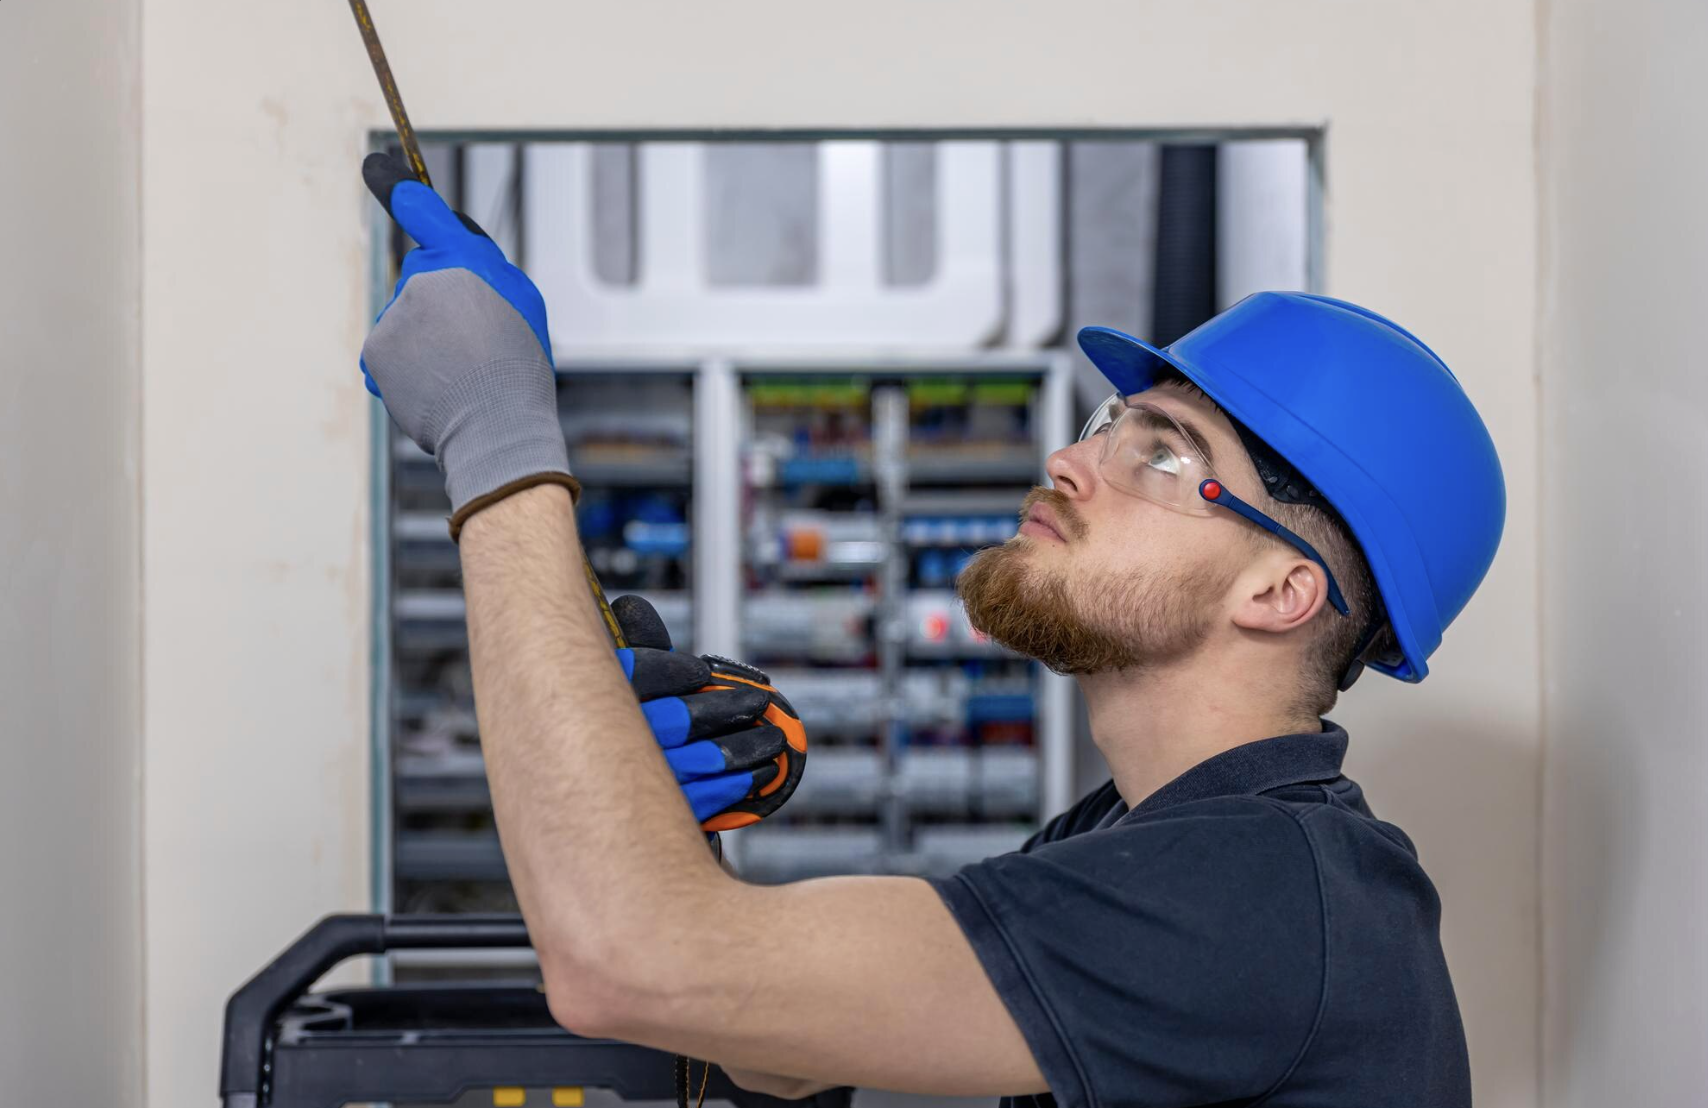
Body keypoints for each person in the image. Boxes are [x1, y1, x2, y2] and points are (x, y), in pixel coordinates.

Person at [357, 151, 1505, 1108]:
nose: (1069, 458)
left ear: (1278, 592)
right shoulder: (1135, 840)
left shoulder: (1257, 891)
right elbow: (775, 1044)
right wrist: (669, 829)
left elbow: (627, 968)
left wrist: (495, 436)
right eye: (1115, 420)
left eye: (1163, 454)